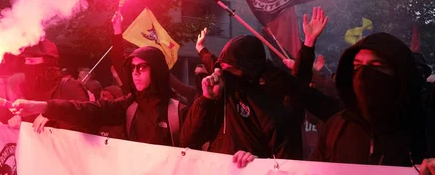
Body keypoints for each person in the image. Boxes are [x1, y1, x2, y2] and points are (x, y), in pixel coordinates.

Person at [12, 12, 188, 147]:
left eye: (142, 67)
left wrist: (208, 101)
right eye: (132, 68)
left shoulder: (178, 113)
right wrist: (45, 107)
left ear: (156, 72)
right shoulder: (128, 106)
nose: (135, 73)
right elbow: (86, 111)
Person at [311, 33, 428, 167]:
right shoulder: (336, 125)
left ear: (399, 73)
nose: (363, 75)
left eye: (376, 66)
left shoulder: (424, 127)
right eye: (357, 66)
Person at [181, 35, 300, 162]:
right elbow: (187, 141)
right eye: (221, 67)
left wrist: (258, 164)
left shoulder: (274, 111)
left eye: (230, 69)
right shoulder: (220, 93)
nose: (221, 73)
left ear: (249, 71)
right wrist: (206, 99)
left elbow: (286, 165)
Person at [7, 37, 89, 130]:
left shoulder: (69, 86)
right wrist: (20, 120)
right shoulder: (31, 90)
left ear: (48, 62)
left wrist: (54, 115)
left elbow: (86, 119)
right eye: (26, 61)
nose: (27, 66)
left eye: (32, 61)